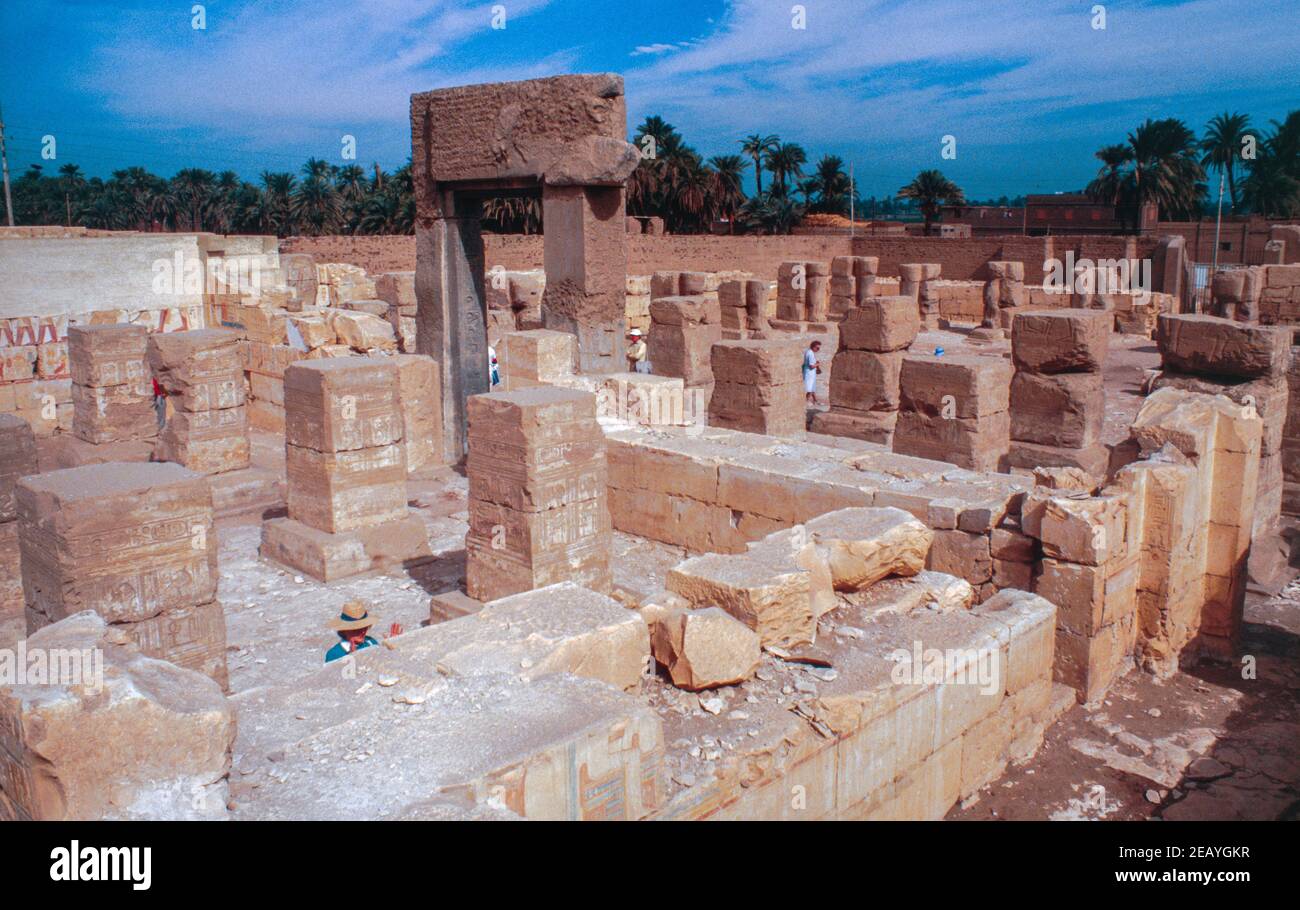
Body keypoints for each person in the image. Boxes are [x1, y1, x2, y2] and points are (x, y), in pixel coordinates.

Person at [324, 600, 403, 663]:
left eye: (364, 627)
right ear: (344, 630)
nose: (362, 632)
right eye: (356, 629)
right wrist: (353, 659)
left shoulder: (371, 642)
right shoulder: (334, 654)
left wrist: (391, 647)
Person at [803, 340, 822, 405]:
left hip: (809, 372)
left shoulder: (808, 351)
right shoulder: (810, 354)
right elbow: (811, 366)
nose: (818, 349)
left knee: (812, 387)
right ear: (813, 347)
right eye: (817, 348)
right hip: (810, 373)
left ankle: (815, 401)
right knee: (810, 389)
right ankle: (806, 401)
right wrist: (818, 364)